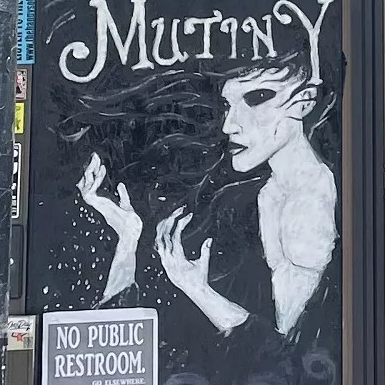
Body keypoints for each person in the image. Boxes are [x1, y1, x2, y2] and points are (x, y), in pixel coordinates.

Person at [77, 56, 339, 337]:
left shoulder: (315, 199)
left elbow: (295, 354)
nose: (230, 125)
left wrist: (198, 291)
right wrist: (128, 240)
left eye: (257, 98)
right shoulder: (255, 199)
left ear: (305, 101)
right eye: (228, 105)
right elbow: (120, 340)